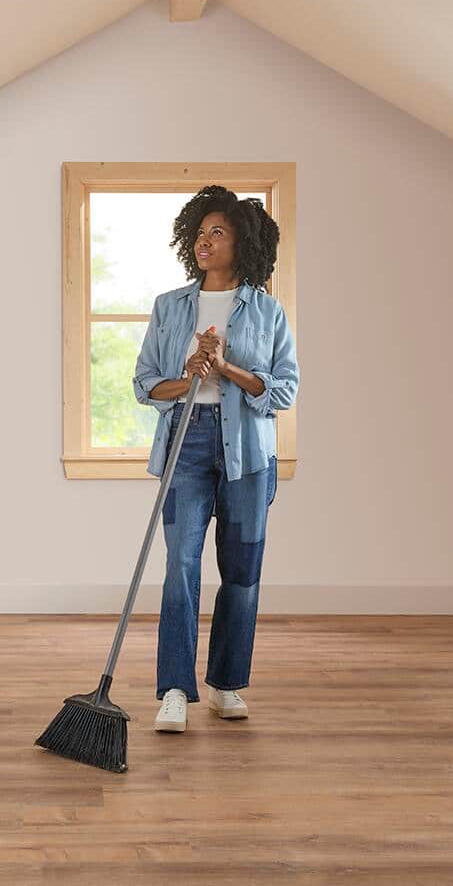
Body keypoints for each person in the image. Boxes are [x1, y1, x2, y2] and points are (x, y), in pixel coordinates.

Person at [131, 184, 299, 733]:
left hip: (249, 454)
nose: (205, 242)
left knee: (242, 573)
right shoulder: (169, 307)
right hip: (187, 443)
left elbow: (283, 392)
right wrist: (189, 376)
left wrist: (225, 366)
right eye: (200, 233)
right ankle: (175, 689)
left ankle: (226, 684)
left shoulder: (268, 311)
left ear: (242, 242)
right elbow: (145, 385)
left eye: (218, 232)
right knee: (181, 567)